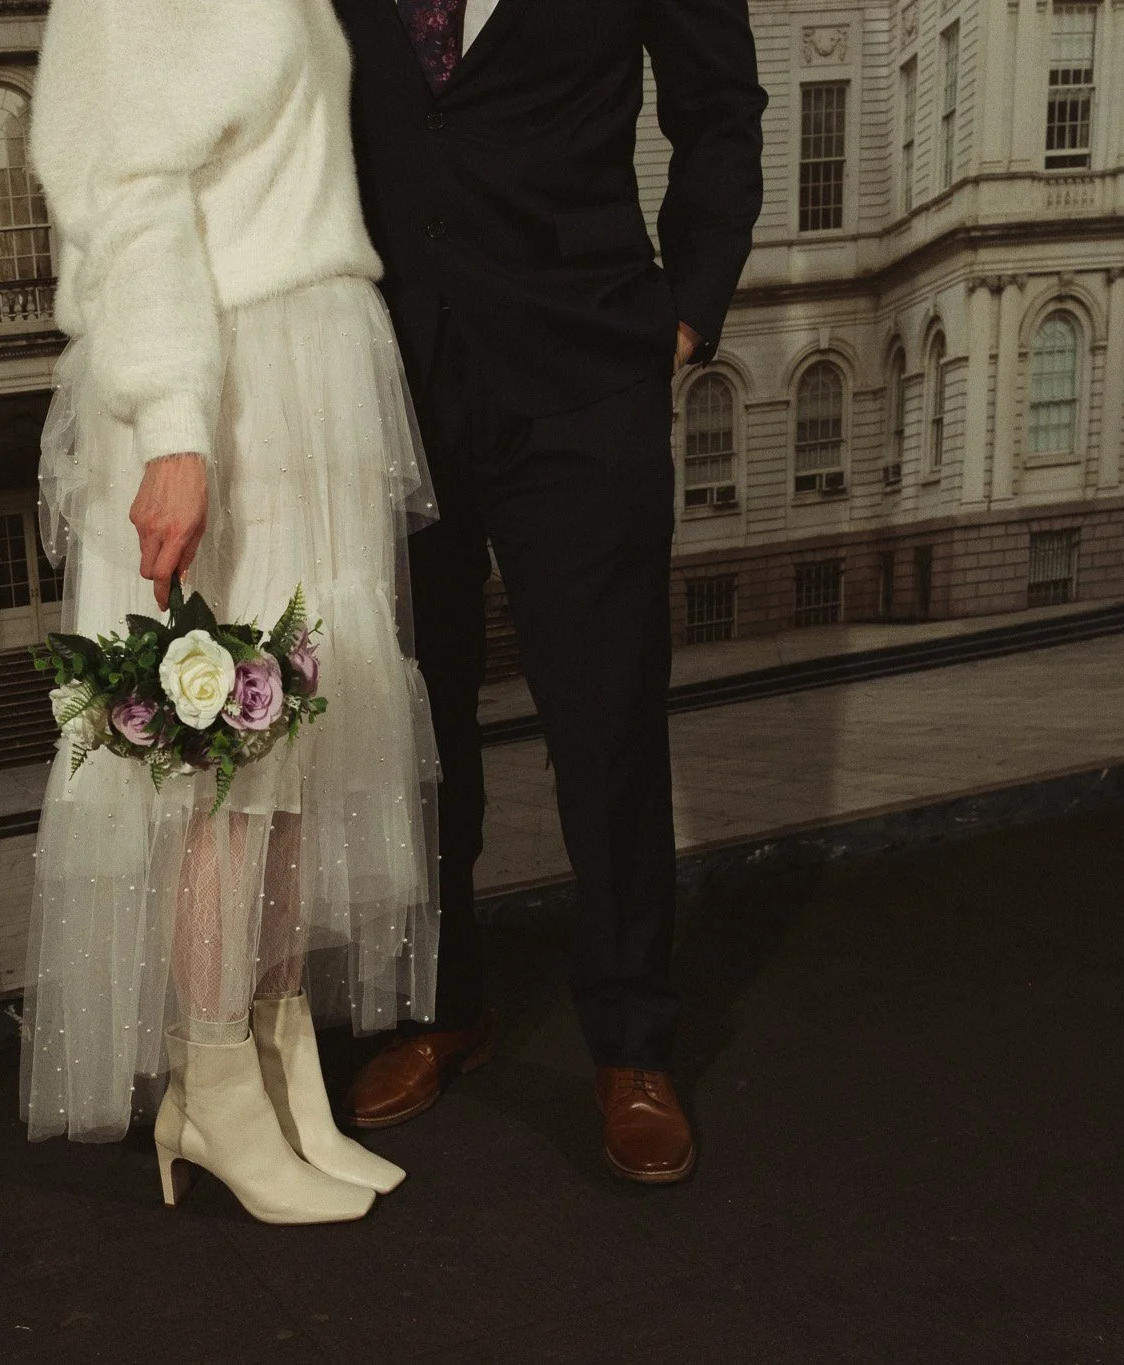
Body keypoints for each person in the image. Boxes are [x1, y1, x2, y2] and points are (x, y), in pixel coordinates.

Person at [19, 0, 442, 1225]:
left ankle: (273, 1057)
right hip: (224, 380)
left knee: (295, 743)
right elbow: (128, 193)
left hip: (301, 364)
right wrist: (172, 426)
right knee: (226, 761)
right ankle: (210, 1085)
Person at [333, 0, 768, 1183]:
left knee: (605, 726)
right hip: (389, 389)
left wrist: (683, 315)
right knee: (419, 730)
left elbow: (720, 111)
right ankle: (442, 1007)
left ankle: (630, 1046)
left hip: (583, 380)